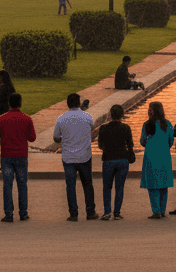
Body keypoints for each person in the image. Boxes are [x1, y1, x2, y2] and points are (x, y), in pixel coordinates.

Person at [0, 92, 36, 222]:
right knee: (22, 184)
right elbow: (32, 138)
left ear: (9, 103)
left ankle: (9, 214)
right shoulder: (27, 119)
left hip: (6, 156)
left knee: (7, 185)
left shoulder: (1, 119)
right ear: (20, 103)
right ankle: (23, 213)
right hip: (21, 156)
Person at [53, 93, 97, 221]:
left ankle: (73, 213)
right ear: (79, 103)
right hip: (84, 156)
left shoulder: (61, 119)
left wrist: (63, 139)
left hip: (68, 157)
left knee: (70, 186)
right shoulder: (87, 116)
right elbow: (92, 125)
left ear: (67, 104)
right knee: (88, 184)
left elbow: (56, 138)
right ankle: (90, 212)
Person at [97, 103, 134, 220]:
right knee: (120, 187)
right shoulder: (126, 128)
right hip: (122, 159)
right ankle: (117, 213)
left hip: (108, 159)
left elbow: (100, 145)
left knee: (107, 187)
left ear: (110, 114)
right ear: (122, 115)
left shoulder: (103, 128)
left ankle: (107, 211)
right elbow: (130, 145)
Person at [140, 100, 174, 218]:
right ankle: (162, 210)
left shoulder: (147, 124)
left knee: (152, 184)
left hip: (151, 156)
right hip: (164, 155)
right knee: (163, 184)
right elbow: (171, 141)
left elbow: (142, 141)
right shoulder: (167, 124)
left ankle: (156, 211)